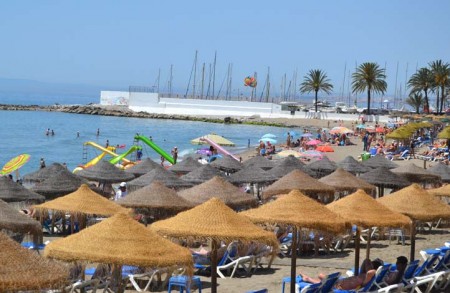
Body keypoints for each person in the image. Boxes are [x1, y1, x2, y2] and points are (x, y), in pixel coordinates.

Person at [298, 258, 379, 290]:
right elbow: (366, 261)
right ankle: (309, 279)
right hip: (341, 281)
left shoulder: (368, 277)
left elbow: (369, 271)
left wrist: (376, 269)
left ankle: (308, 279)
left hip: (339, 287)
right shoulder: (364, 275)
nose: (369, 264)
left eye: (372, 263)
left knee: (321, 276)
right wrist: (372, 265)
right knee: (321, 277)